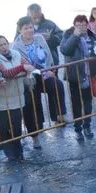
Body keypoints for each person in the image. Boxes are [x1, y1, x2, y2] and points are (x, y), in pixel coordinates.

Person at [13, 17, 61, 148]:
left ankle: (58, 115)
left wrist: (52, 70)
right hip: (29, 77)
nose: (29, 30)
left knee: (57, 84)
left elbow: (48, 54)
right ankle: (35, 134)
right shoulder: (16, 46)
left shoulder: (39, 38)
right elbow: (19, 64)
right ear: (20, 30)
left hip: (44, 72)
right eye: (26, 28)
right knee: (32, 103)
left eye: (30, 27)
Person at [60, 15, 96, 141]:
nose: (82, 28)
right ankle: (78, 128)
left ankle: (87, 125)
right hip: (75, 75)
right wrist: (75, 35)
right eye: (79, 25)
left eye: (84, 25)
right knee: (76, 104)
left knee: (88, 102)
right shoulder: (68, 35)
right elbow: (66, 50)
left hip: (90, 74)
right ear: (74, 26)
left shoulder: (93, 36)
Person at [0, 36, 30, 162]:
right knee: (3, 128)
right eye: (0, 45)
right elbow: (5, 73)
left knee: (16, 128)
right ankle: (10, 154)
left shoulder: (16, 54)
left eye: (5, 43)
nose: (4, 47)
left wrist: (24, 69)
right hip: (0, 100)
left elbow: (28, 64)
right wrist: (22, 69)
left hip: (17, 97)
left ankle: (19, 151)